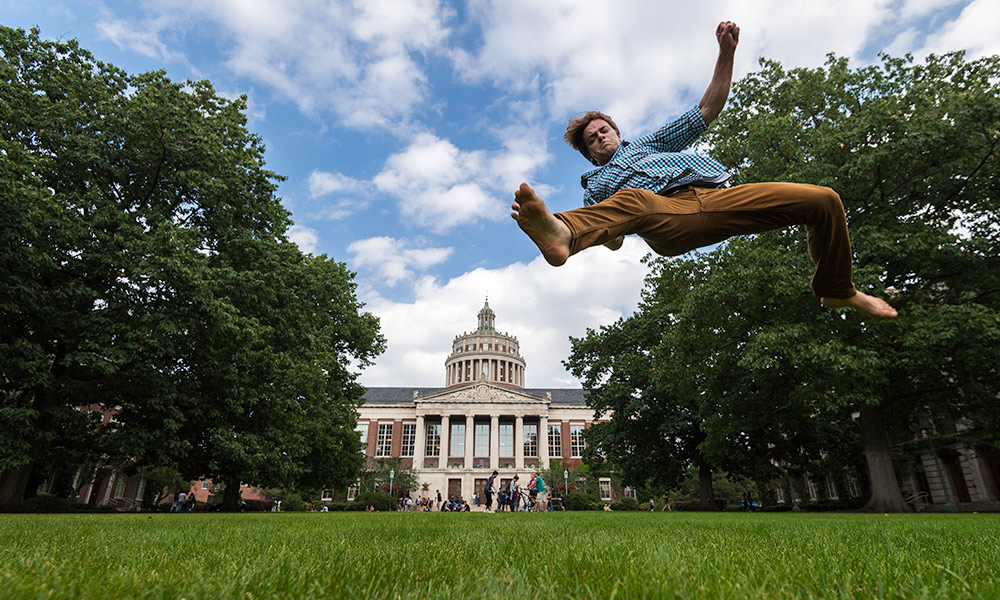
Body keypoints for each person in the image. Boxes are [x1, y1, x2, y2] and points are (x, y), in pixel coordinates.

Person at [511, 21, 897, 320]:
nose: (599, 137)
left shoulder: (650, 144)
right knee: (636, 200)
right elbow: (613, 240)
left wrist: (725, 52)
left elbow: (707, 109)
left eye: (603, 130)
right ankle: (564, 233)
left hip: (716, 197)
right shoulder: (596, 184)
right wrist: (604, 233)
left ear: (616, 130)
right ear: (589, 154)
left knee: (823, 200)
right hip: (666, 219)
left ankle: (837, 288)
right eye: (592, 139)